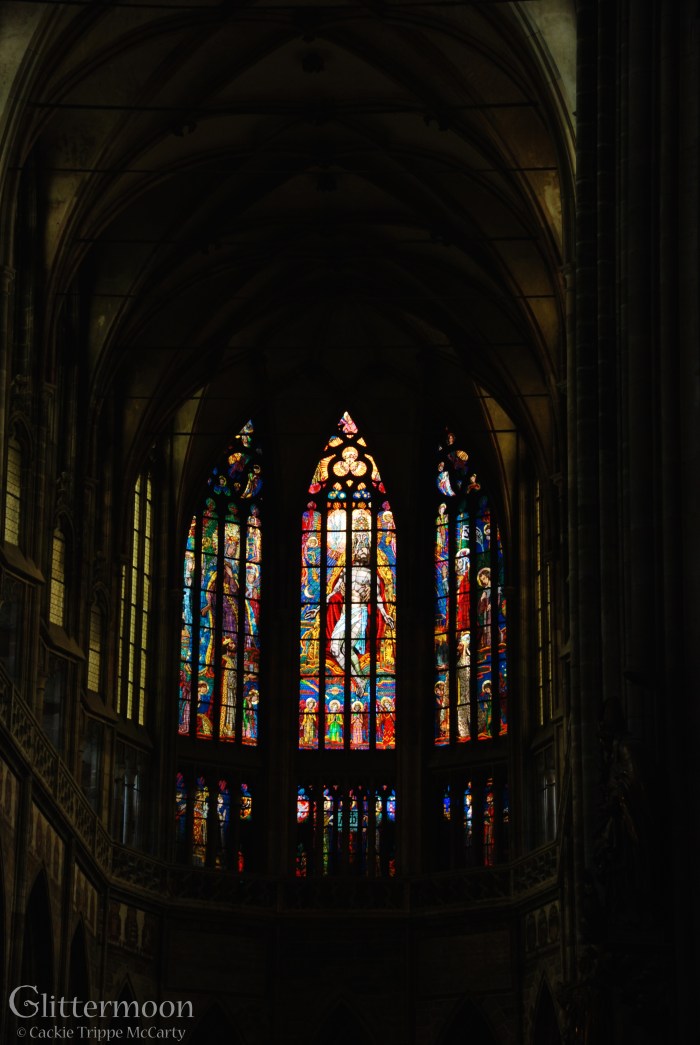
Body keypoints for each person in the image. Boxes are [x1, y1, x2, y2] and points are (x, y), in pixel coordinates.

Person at [326, 545, 394, 695]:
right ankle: (360, 680)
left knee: (342, 649)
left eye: (365, 551)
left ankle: (359, 681)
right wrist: (319, 607)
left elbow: (378, 598)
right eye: (359, 549)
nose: (362, 551)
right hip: (345, 614)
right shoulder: (346, 571)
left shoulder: (371, 576)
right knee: (338, 649)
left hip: (358, 613)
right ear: (355, 552)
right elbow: (334, 592)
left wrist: (385, 614)